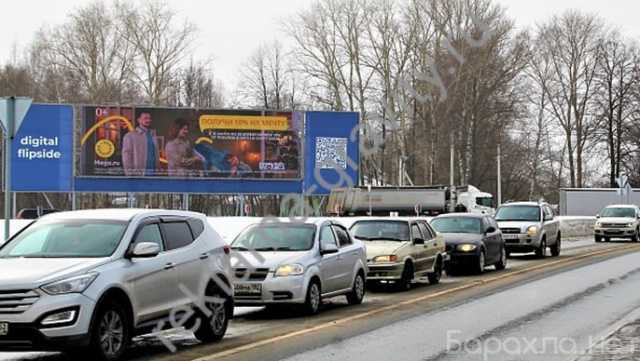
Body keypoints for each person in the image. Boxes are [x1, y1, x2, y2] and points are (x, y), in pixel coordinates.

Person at [122, 112, 160, 176]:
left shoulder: (153, 136)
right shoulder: (130, 136)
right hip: (138, 175)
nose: (148, 120)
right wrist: (130, 174)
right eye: (145, 118)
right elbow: (126, 157)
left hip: (153, 174)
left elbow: (156, 155)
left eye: (149, 118)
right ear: (139, 120)